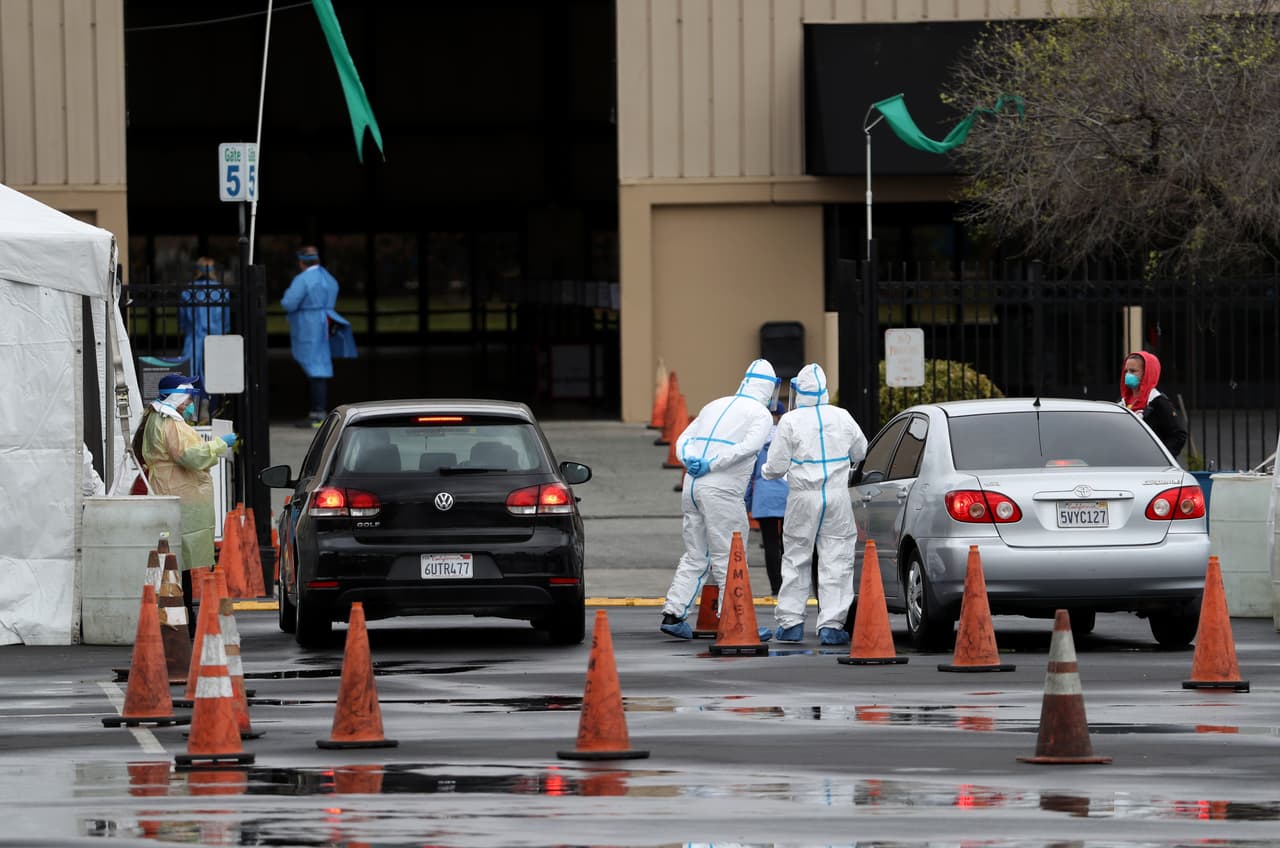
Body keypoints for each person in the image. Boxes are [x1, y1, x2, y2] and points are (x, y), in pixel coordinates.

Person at [659, 359, 780, 639]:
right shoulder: (760, 415)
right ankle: (737, 621)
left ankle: (674, 613)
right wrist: (714, 464)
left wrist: (691, 460)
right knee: (731, 556)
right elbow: (748, 448)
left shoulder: (714, 405)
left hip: (692, 485)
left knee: (696, 553)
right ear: (769, 388)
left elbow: (683, 439)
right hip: (722, 490)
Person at [762, 362, 868, 646]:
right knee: (837, 559)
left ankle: (791, 623)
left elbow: (775, 465)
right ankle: (832, 625)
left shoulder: (790, 421)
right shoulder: (842, 416)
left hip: (802, 497)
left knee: (796, 557)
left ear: (798, 390)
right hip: (836, 496)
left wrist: (767, 472)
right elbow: (861, 450)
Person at [131, 374, 237, 632]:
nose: (191, 403)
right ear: (177, 397)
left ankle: (180, 616)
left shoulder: (157, 418)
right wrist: (219, 445)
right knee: (179, 563)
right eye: (189, 397)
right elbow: (190, 456)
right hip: (180, 499)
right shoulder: (170, 424)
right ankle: (183, 621)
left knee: (178, 563)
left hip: (172, 494)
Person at [281, 246, 356, 428]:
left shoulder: (303, 279)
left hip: (309, 324)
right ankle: (317, 412)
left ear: (301, 262)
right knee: (319, 365)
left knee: (315, 368)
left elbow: (289, 303)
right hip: (324, 322)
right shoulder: (328, 277)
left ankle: (317, 414)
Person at [744, 400, 788, 596]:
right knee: (790, 543)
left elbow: (749, 474)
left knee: (770, 543)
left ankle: (776, 587)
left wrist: (747, 501)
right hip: (789, 494)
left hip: (764, 495)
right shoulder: (789, 438)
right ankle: (791, 585)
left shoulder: (757, 441)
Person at [178, 257, 230, 401]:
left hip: (193, 337)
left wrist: (185, 329)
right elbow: (225, 320)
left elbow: (183, 320)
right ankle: (214, 407)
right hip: (216, 337)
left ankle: (193, 407)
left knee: (191, 373)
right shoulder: (222, 291)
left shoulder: (188, 291)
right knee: (216, 374)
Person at [1121, 351, 1187, 458]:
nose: (1128, 375)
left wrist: (1161, 459)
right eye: (1126, 371)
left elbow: (1178, 436)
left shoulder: (1159, 403)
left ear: (1147, 373)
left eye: (1133, 371)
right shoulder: (1122, 402)